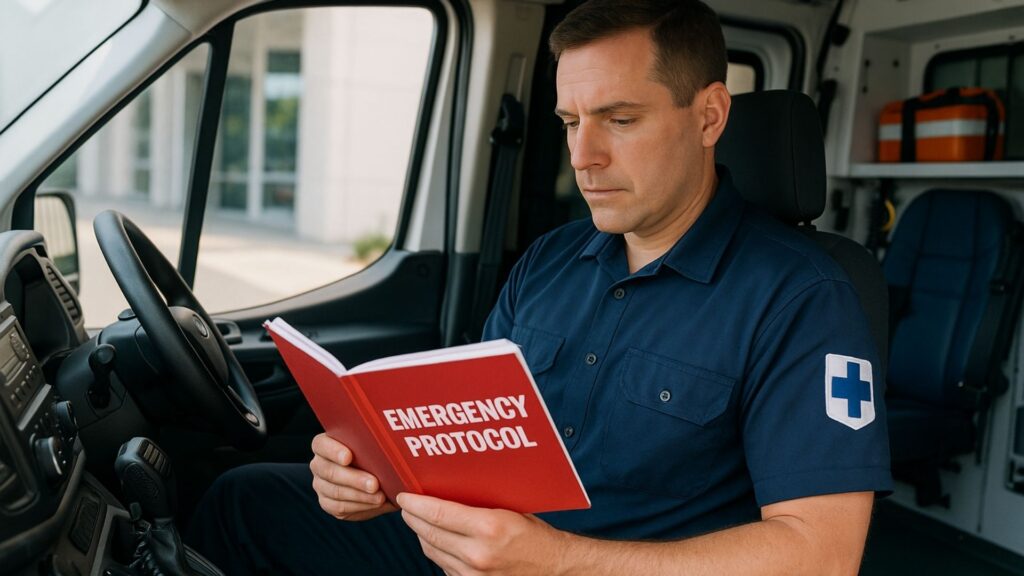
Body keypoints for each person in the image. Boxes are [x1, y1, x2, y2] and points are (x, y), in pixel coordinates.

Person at [188, 1, 891, 574]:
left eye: (620, 120)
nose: (584, 157)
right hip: (480, 550)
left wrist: (556, 561)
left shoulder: (804, 297)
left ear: (709, 115)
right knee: (241, 501)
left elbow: (821, 555)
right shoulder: (551, 261)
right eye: (569, 123)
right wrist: (377, 479)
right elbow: (467, 438)